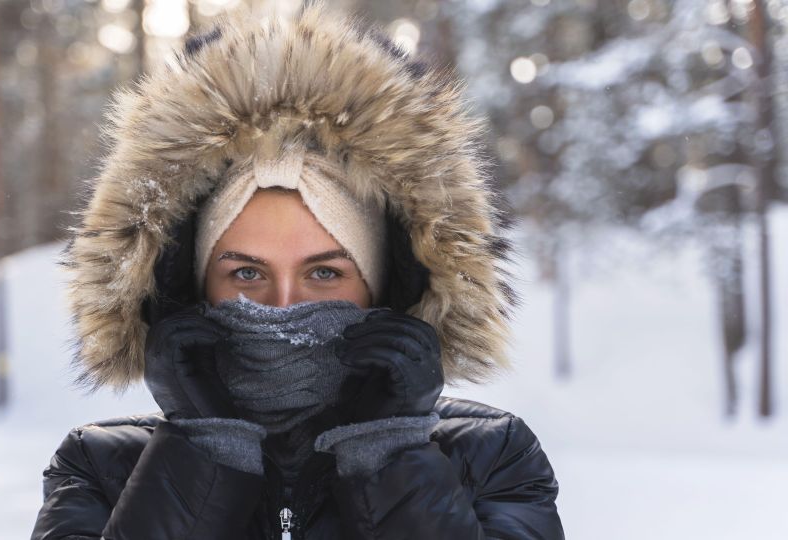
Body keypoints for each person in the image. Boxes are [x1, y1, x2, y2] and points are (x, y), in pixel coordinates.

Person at [31, 2, 564, 539]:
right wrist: (202, 454)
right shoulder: (100, 466)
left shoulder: (489, 455)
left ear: (384, 286)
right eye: (245, 273)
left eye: (326, 274)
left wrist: (389, 454)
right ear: (190, 286)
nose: (284, 305)